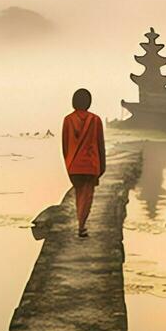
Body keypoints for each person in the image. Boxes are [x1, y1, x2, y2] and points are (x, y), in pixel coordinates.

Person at [60, 88, 105, 237]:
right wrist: (102, 166)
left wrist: (68, 163)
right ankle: (81, 225)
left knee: (79, 194)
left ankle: (81, 224)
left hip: (73, 165)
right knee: (87, 196)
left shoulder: (67, 120)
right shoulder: (95, 120)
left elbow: (65, 145)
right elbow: (100, 145)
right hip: (91, 164)